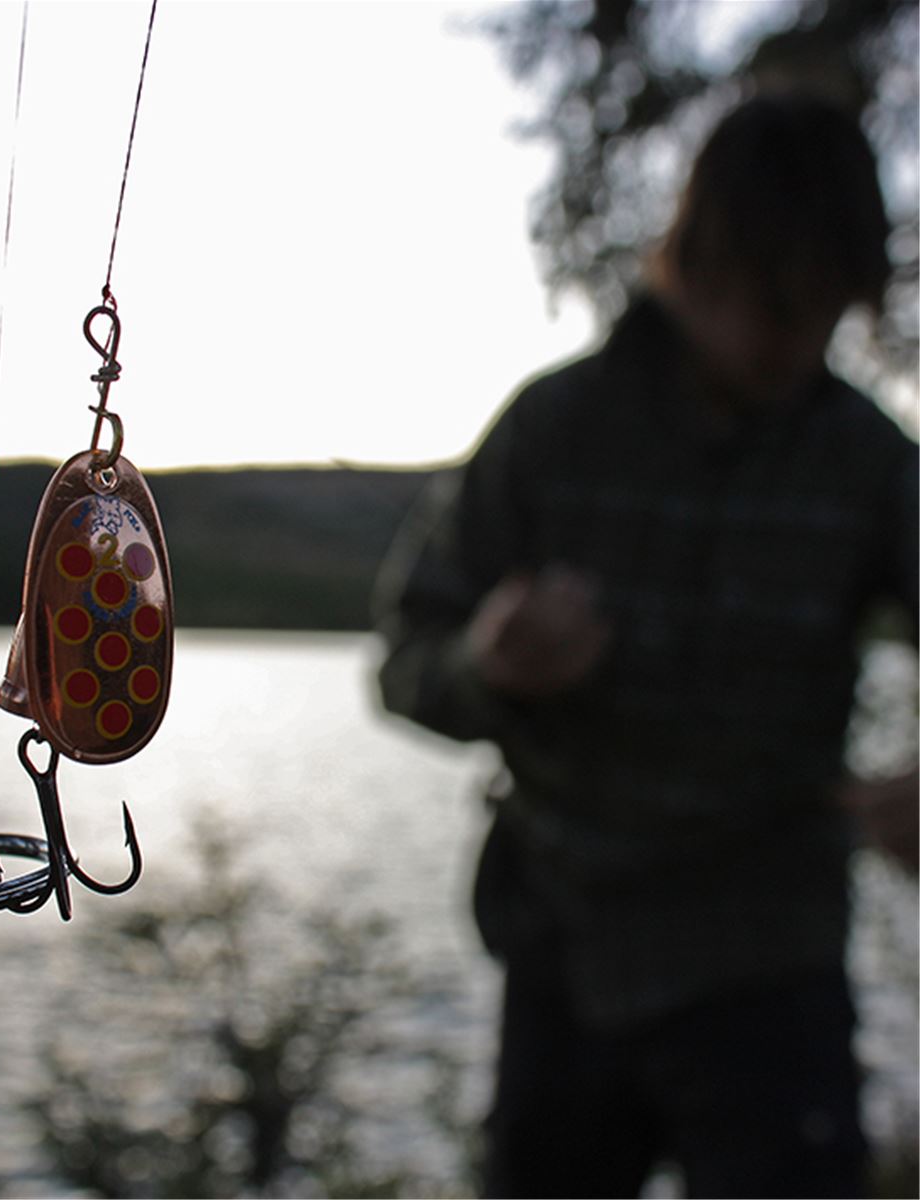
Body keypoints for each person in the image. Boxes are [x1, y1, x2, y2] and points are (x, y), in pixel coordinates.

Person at [373, 92, 918, 1199]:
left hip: (771, 969)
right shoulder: (552, 428)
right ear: (700, 259)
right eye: (778, 304)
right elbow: (403, 661)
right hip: (566, 958)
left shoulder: (868, 459)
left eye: (829, 311)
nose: (800, 341)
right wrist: (491, 666)